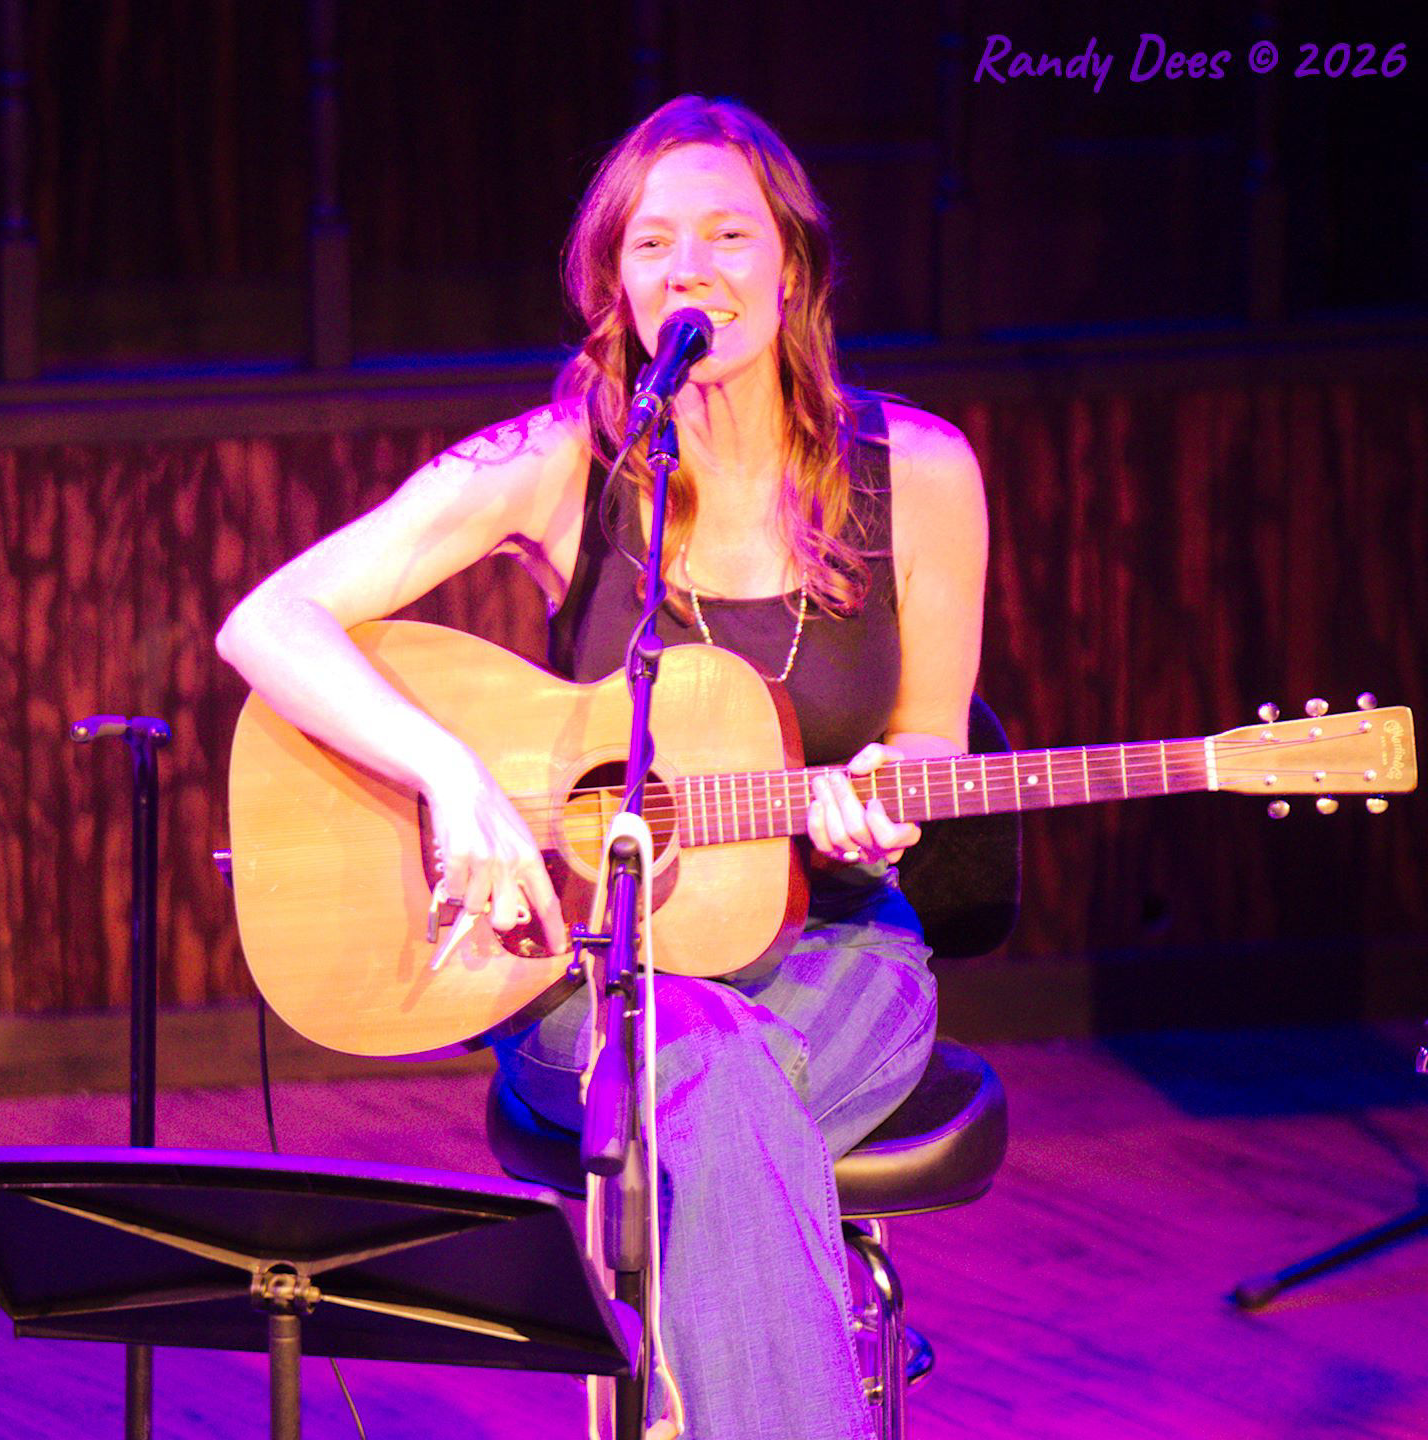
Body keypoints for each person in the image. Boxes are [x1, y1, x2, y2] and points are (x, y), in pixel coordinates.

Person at [217, 95, 987, 1440]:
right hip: (595, 975)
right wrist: (451, 771)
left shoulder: (917, 473)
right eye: (652, 245)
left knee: (720, 1082)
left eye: (728, 235)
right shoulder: (566, 461)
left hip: (842, 955)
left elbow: (929, 737)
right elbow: (267, 620)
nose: (689, 268)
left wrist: (884, 809)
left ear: (792, 265)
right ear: (616, 285)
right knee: (710, 1066)